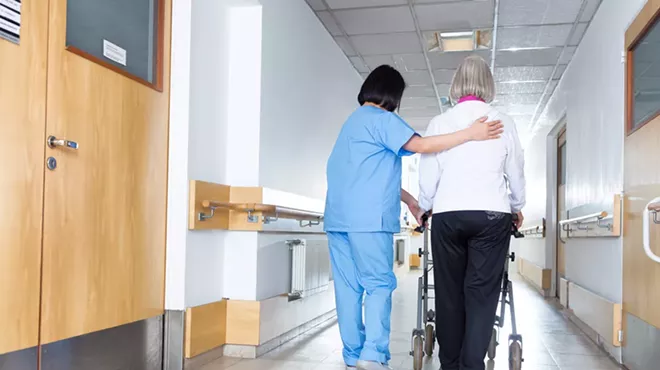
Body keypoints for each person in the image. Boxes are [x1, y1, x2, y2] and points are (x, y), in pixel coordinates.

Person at [324, 64, 504, 370]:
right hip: (368, 221)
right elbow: (422, 146)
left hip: (338, 220)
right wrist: (471, 134)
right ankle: (373, 355)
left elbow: (367, 176)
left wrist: (410, 202)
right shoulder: (382, 119)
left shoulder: (351, 124)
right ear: (392, 94)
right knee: (379, 284)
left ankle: (352, 354)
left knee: (348, 288)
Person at [417, 55, 526, 370]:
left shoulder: (440, 122)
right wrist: (516, 206)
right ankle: (471, 364)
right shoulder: (503, 120)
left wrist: (426, 207)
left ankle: (449, 364)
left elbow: (427, 176)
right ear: (488, 85)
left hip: (448, 215)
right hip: (492, 215)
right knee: (481, 294)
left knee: (449, 293)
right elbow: (515, 170)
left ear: (455, 85)